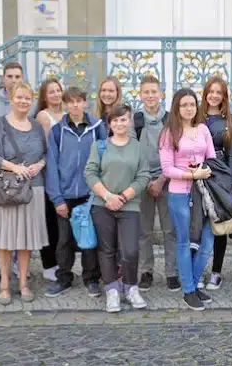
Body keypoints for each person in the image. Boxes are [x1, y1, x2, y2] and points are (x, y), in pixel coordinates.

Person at [0, 82, 48, 305]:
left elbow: (45, 153)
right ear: (11, 98)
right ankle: (5, 285)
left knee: (25, 240)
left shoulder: (37, 126)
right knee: (4, 240)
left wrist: (40, 164)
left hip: (32, 188)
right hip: (4, 189)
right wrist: (13, 167)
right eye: (19, 97)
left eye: (28, 98)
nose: (23, 102)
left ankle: (24, 284)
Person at [85, 104, 151, 313]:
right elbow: (90, 173)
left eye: (124, 119)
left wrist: (122, 197)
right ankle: (112, 290)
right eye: (115, 120)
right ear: (109, 123)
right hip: (102, 204)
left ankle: (131, 287)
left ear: (130, 122)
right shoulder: (100, 146)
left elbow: (144, 176)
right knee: (107, 250)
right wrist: (107, 196)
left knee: (130, 250)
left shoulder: (137, 147)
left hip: (129, 205)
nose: (120, 123)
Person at [44, 87, 105, 298]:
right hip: (65, 195)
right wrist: (57, 198)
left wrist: (100, 191)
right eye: (70, 102)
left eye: (79, 101)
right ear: (65, 105)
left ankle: (91, 278)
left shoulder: (97, 128)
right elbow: (51, 166)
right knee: (64, 240)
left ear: (85, 103)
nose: (75, 105)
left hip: (90, 193)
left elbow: (105, 160)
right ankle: (64, 277)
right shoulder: (57, 131)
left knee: (88, 238)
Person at [159, 88, 216, 311]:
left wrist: (204, 171)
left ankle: (192, 282)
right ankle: (189, 290)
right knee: (183, 241)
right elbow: (167, 169)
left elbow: (211, 159)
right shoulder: (168, 133)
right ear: (176, 107)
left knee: (207, 239)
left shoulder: (202, 129)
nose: (189, 108)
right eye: (184, 105)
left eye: (192, 104)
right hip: (180, 193)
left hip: (204, 192)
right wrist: (191, 174)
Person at [0, 61, 30, 283]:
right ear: (3, 79)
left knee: (19, 221)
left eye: (17, 76)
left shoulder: (31, 100)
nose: (13, 80)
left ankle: (17, 265)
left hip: (21, 170)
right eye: (9, 76)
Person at [133, 76, 180, 292]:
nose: (150, 96)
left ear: (161, 94)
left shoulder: (171, 120)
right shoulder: (136, 120)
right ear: (140, 94)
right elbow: (132, 153)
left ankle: (172, 272)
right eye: (146, 92)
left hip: (167, 180)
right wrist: (146, 181)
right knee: (144, 231)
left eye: (154, 92)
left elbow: (177, 153)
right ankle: (146, 271)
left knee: (170, 229)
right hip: (143, 182)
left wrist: (161, 179)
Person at [200, 77, 232, 291]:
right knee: (198, 226)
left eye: (219, 92)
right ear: (205, 93)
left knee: (219, 226)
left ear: (224, 96)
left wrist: (228, 181)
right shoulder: (197, 116)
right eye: (211, 91)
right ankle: (198, 270)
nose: (214, 95)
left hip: (219, 176)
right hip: (197, 174)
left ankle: (216, 272)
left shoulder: (228, 121)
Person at [35, 78, 65, 282]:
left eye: (58, 90)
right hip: (50, 172)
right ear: (44, 96)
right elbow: (48, 148)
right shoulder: (43, 116)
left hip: (67, 173)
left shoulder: (66, 114)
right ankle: (48, 264)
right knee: (49, 220)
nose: (55, 94)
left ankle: (63, 261)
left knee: (62, 223)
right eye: (51, 92)